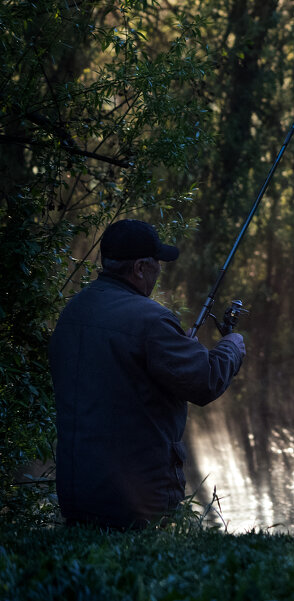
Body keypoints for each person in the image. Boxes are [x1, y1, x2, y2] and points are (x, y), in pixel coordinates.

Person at [49, 219, 246, 529]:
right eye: (157, 264)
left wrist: (177, 350)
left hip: (78, 496)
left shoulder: (73, 312)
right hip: (135, 501)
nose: (159, 271)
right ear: (140, 268)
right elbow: (206, 380)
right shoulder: (151, 321)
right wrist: (232, 346)